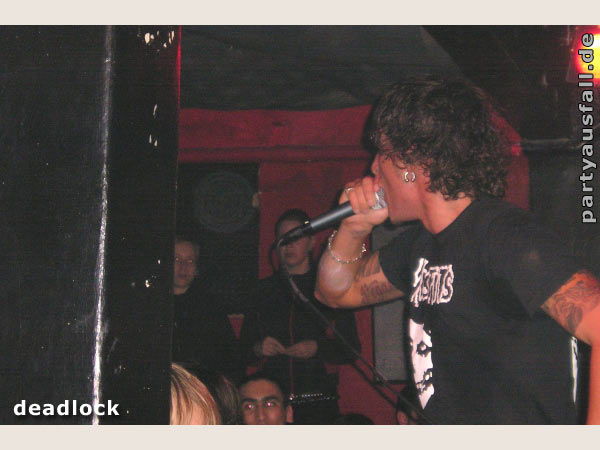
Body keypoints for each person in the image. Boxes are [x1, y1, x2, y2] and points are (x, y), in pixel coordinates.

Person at [315, 77, 600, 425]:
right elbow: (334, 293)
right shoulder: (419, 245)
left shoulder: (504, 236)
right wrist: (353, 228)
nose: (373, 168)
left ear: (412, 162)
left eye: (382, 154)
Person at [240, 209, 360, 424]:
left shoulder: (328, 288)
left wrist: (317, 348)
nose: (289, 245)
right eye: (283, 239)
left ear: (311, 242)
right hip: (273, 404)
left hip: (318, 402)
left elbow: (351, 349)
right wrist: (258, 348)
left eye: (295, 238)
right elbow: (240, 350)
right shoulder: (262, 291)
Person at [172, 236, 242, 383]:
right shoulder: (153, 305)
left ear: (196, 268)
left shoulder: (211, 308)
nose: (183, 267)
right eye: (177, 259)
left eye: (190, 261)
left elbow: (230, 358)